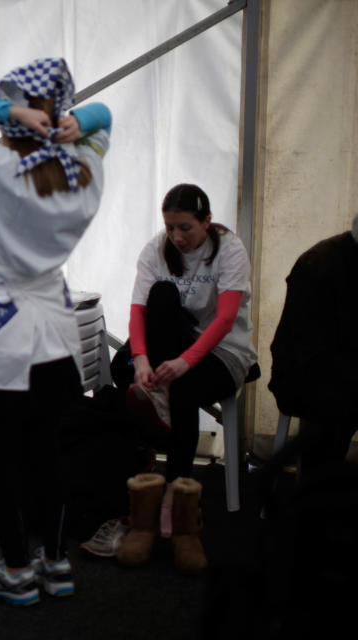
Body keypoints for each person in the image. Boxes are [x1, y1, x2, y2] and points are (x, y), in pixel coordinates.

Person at [0, 57, 111, 606]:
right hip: (55, 337)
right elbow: (104, 119)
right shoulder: (85, 167)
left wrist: (8, 111)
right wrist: (76, 122)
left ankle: (14, 570)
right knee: (48, 459)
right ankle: (55, 565)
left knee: (5, 465)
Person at [115, 183, 258, 575]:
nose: (177, 237)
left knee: (184, 391)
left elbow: (226, 318)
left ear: (207, 222)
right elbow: (138, 310)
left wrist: (185, 363)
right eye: (170, 227)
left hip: (222, 351)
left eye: (186, 228)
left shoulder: (229, 250)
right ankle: (141, 481)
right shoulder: (157, 248)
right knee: (123, 366)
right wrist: (142, 359)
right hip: (171, 343)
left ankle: (175, 499)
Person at [269, 213, 358, 479]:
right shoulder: (320, 265)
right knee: (333, 416)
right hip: (310, 377)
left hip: (342, 370)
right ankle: (316, 503)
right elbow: (308, 352)